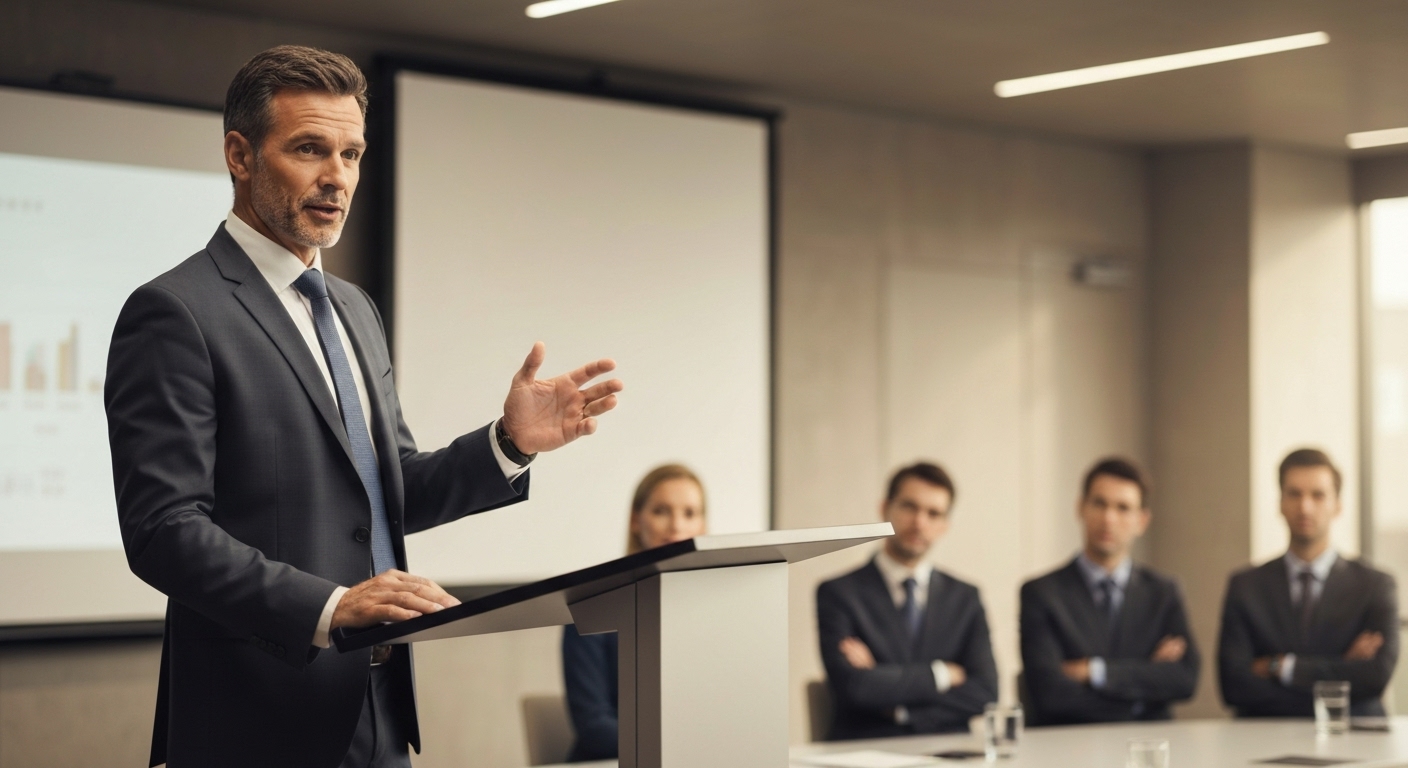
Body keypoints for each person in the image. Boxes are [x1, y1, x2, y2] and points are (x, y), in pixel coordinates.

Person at [104, 46, 624, 768]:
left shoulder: (353, 309)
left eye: (351, 154)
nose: (337, 178)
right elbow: (163, 530)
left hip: (381, 706)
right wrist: (328, 609)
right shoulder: (174, 313)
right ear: (239, 154)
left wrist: (508, 443)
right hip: (257, 720)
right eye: (310, 149)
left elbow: (385, 491)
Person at [816, 462, 998, 740]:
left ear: (945, 525)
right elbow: (855, 687)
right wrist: (942, 675)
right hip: (863, 749)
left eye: (933, 513)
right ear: (884, 508)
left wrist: (899, 705)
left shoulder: (965, 597)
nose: (919, 522)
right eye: (909, 507)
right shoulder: (838, 593)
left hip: (945, 748)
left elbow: (985, 691)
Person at [1218, 448, 1399, 718]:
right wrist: (1341, 669)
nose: (1305, 506)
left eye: (1318, 495)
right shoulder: (1246, 586)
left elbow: (1375, 677)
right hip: (1266, 735)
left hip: (1356, 736)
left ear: (1337, 504)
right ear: (1280, 502)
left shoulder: (1376, 585)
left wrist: (1281, 667)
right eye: (1294, 494)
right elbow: (1234, 686)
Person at [1019, 458, 1199, 725]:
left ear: (1141, 521)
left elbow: (1184, 679)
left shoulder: (1163, 592)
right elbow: (1050, 693)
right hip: (1069, 747)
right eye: (1099, 503)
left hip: (1146, 748)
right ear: (1081, 508)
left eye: (1123, 508)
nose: (1108, 518)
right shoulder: (1041, 593)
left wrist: (1094, 671)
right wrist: (1143, 693)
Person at [560, 464, 707, 762]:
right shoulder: (592, 607)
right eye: (661, 511)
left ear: (703, 526)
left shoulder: (709, 612)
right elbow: (593, 726)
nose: (676, 526)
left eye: (690, 513)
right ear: (636, 521)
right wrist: (680, 745)